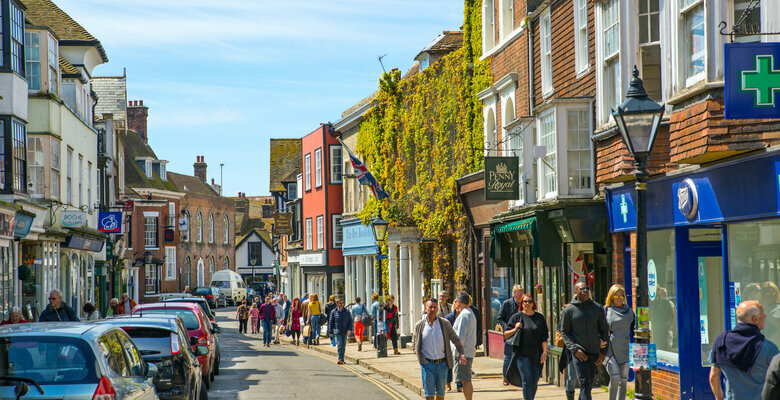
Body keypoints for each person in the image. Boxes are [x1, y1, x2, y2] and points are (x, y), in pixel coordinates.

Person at [710, 300, 779, 400]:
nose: (765, 316)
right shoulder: (768, 348)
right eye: (762, 314)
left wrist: (719, 398)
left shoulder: (722, 341)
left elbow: (714, 376)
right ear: (755, 319)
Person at [560, 280, 609, 400]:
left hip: (594, 352)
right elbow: (564, 332)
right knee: (584, 382)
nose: (585, 290)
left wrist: (603, 352)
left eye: (587, 288)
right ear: (576, 291)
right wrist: (574, 349)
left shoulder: (597, 308)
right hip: (579, 353)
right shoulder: (569, 310)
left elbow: (604, 330)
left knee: (589, 383)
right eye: (582, 288)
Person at [413, 298, 466, 400]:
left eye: (435, 307)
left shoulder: (444, 323)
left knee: (441, 395)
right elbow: (414, 344)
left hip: (442, 365)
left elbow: (455, 339)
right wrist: (422, 360)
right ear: (425, 309)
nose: (432, 309)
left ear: (437, 309)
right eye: (430, 307)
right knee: (429, 396)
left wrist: (462, 354)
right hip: (427, 365)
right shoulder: (419, 325)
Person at [504, 293, 548, 400]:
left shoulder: (539, 317)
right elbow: (505, 334)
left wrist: (545, 352)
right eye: (525, 302)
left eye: (530, 301)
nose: (527, 304)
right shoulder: (517, 317)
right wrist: (515, 329)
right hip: (521, 354)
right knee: (527, 380)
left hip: (536, 354)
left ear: (533, 304)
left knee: (534, 381)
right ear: (521, 304)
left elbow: (544, 337)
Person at [604, 285, 635, 400]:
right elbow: (599, 329)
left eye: (621, 296)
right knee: (615, 377)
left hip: (625, 348)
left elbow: (634, 331)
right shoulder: (606, 310)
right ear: (611, 298)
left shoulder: (630, 312)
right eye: (615, 296)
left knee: (623, 379)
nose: (619, 299)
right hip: (610, 349)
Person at [451, 292, 477, 400]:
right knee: (465, 379)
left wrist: (459, 354)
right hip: (467, 352)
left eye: (456, 301)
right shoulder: (469, 313)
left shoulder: (463, 316)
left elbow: (460, 336)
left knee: (465, 380)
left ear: (459, 302)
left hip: (463, 354)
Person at [499, 285, 524, 385]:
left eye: (520, 294)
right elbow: (500, 317)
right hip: (510, 334)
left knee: (521, 356)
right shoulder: (507, 304)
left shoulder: (525, 304)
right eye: (517, 294)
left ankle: (520, 377)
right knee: (509, 356)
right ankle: (506, 377)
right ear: (513, 293)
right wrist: (507, 328)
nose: (518, 296)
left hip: (522, 334)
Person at [329, 297, 353, 364]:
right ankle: (340, 359)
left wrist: (349, 329)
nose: (341, 304)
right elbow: (331, 322)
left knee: (343, 345)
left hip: (345, 331)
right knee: (339, 344)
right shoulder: (333, 312)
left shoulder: (347, 312)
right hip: (337, 331)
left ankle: (342, 358)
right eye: (340, 303)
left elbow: (350, 321)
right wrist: (330, 332)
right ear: (337, 304)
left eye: (342, 303)